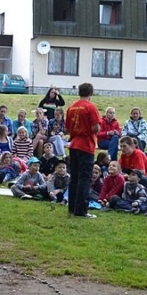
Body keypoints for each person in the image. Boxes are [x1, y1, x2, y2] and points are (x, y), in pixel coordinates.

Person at [66, 83, 102, 218]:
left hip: (74, 144)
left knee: (74, 177)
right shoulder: (90, 107)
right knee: (85, 178)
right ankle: (81, 210)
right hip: (86, 145)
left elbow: (67, 129)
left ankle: (72, 207)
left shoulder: (72, 107)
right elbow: (95, 128)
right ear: (91, 93)